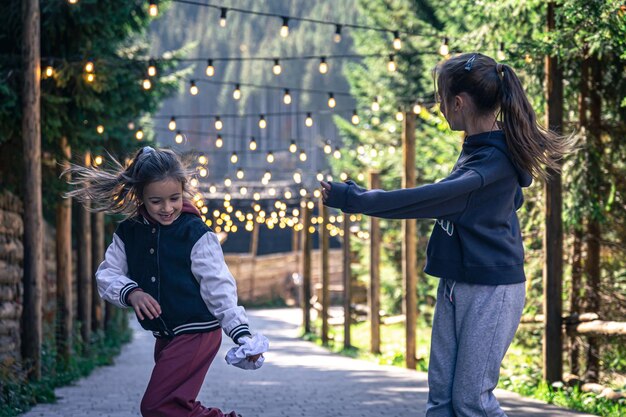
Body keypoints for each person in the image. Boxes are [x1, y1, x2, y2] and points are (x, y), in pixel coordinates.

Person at [321, 53, 572, 417]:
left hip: (491, 290)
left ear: (458, 103)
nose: (439, 107)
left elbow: (428, 200)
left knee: (473, 402)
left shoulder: (489, 165)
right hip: (457, 284)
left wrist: (355, 199)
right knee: (441, 401)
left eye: (441, 99)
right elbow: (503, 200)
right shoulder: (482, 152)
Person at [66, 146, 264, 417]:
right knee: (175, 406)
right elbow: (107, 274)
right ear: (141, 197)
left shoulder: (196, 234)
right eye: (156, 201)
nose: (168, 208)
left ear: (183, 191)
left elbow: (219, 288)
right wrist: (132, 292)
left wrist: (240, 334)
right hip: (166, 336)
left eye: (174, 198)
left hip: (198, 332)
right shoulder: (128, 233)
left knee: (156, 405)